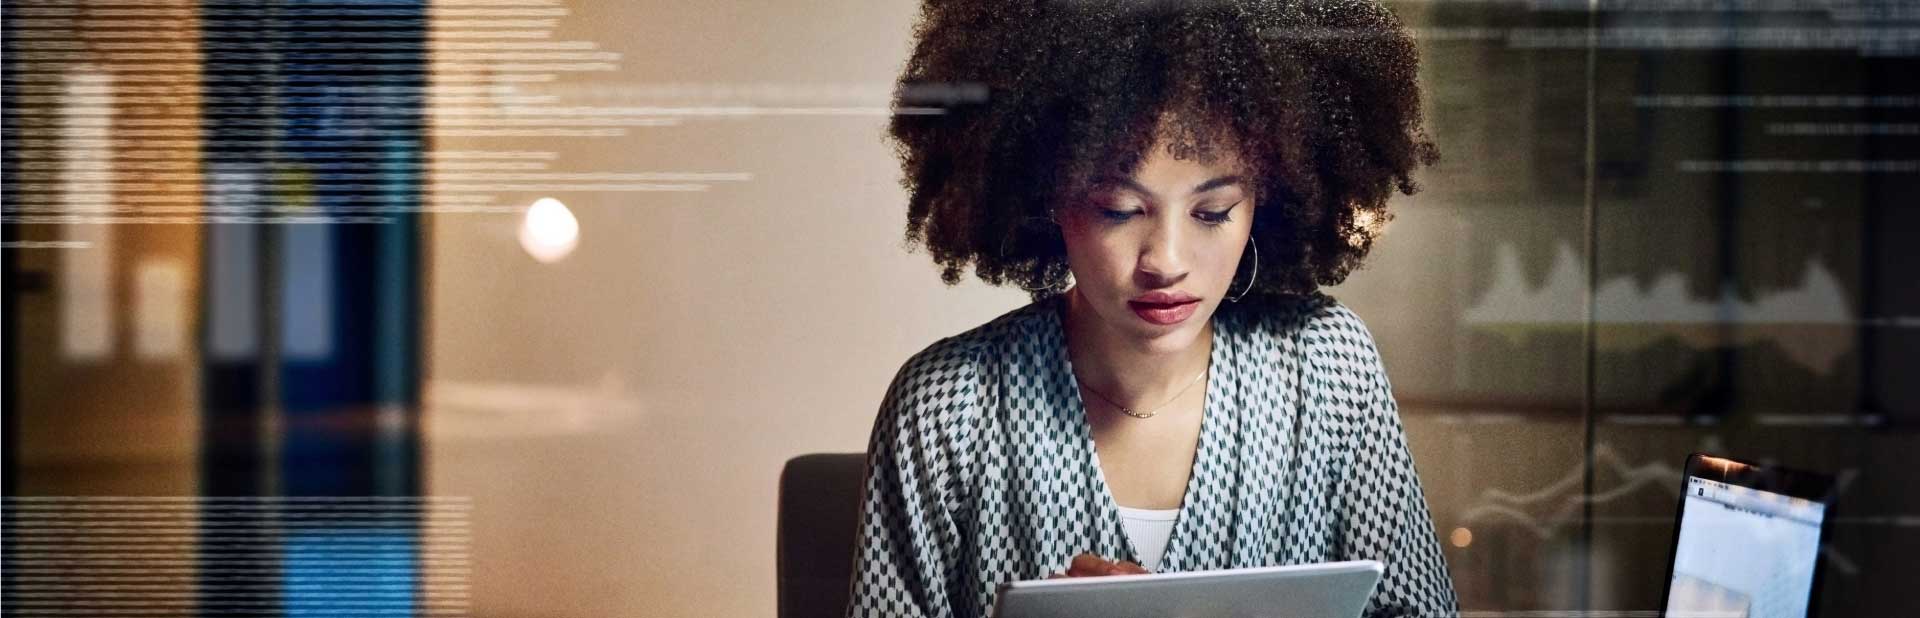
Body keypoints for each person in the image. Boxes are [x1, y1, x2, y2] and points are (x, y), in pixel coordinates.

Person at [847, 1, 1456, 617]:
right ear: (1044, 200)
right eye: (1117, 209)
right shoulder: (948, 405)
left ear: (1264, 207)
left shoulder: (1328, 365)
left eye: (1212, 212)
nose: (1165, 260)